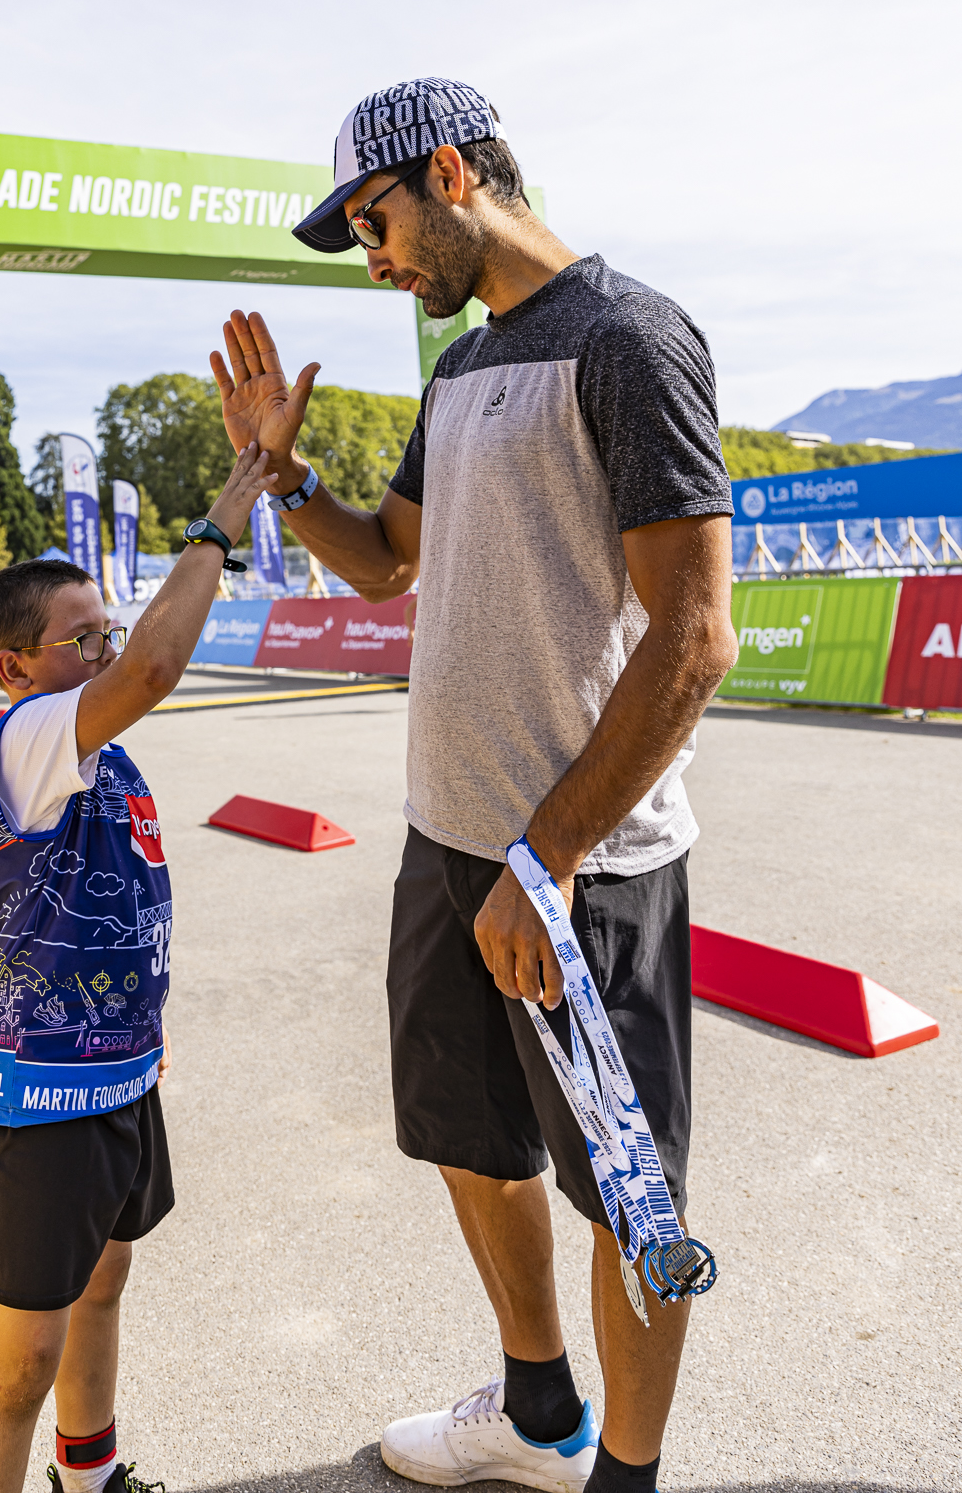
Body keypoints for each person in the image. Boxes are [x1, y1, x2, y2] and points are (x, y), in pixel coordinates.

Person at [209, 79, 737, 1493]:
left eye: (371, 223)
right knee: (467, 1138)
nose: (373, 259)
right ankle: (538, 1411)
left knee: (627, 1197)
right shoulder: (457, 372)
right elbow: (388, 561)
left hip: (582, 870)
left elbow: (693, 638)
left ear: (447, 175)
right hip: (448, 843)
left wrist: (547, 858)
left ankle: (623, 1477)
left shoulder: (629, 339)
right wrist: (276, 471)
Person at [0, 442, 277, 1493]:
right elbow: (153, 670)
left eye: (106, 628)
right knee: (20, 1358)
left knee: (104, 1279)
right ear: (16, 666)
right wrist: (226, 511)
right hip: (36, 1088)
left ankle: (88, 1476)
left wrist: (143, 1027)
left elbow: (124, 909)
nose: (104, 648)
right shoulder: (28, 735)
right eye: (78, 636)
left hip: (119, 1069)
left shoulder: (102, 751)